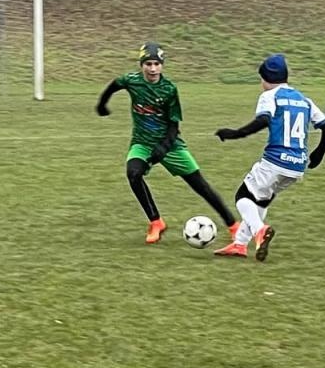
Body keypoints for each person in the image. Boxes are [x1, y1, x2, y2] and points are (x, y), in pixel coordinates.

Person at [96, 42, 238, 244]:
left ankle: (233, 226)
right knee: (133, 174)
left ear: (162, 65)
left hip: (171, 145)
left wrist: (162, 148)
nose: (153, 68)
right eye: (148, 64)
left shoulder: (169, 89)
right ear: (141, 65)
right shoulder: (132, 81)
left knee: (201, 186)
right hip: (142, 143)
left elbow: (174, 125)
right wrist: (102, 104)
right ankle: (156, 222)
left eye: (156, 64)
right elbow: (114, 85)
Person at [208, 54, 325, 262]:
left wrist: (235, 133)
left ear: (265, 78)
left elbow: (263, 120)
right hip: (297, 166)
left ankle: (259, 231)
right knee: (261, 201)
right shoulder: (304, 100)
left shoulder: (270, 96)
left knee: (243, 197)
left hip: (275, 160)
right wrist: (319, 152)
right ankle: (240, 244)